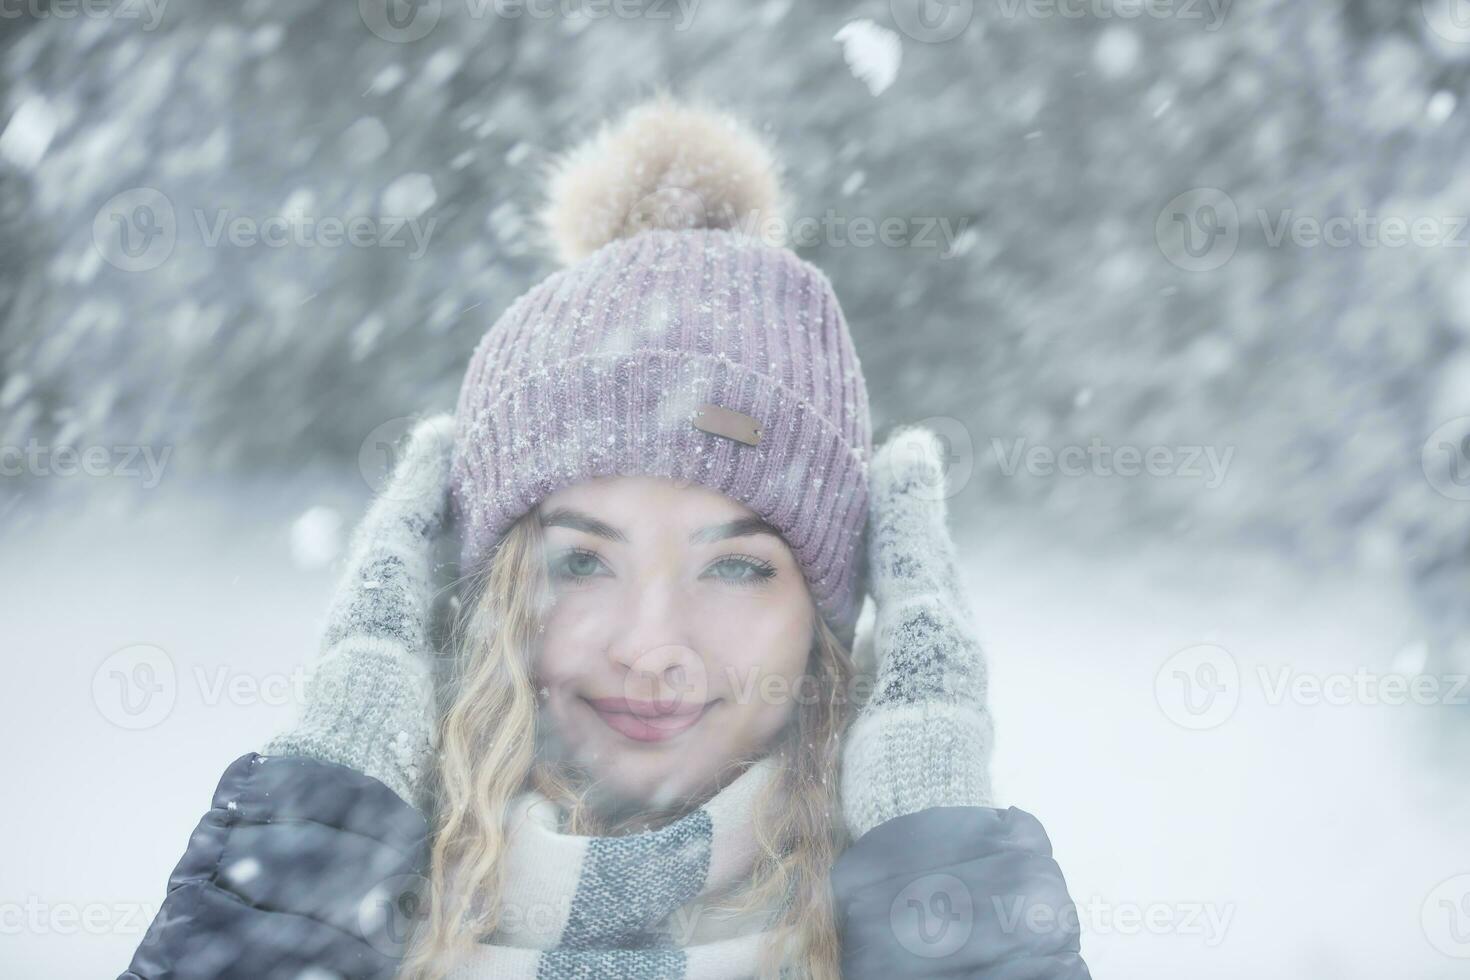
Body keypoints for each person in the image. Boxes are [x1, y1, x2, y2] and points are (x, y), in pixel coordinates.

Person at [118, 97, 1092, 980]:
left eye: (738, 564)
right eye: (582, 558)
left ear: (826, 612)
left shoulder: (898, 932)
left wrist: (936, 865)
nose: (650, 644)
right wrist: (324, 805)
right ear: (494, 591)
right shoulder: (354, 917)